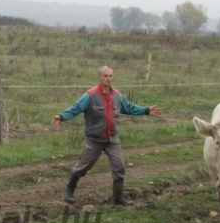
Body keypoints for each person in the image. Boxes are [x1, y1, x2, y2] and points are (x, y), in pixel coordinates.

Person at [52, 65, 162, 206]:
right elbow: (76, 108)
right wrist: (61, 117)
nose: (108, 79)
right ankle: (70, 191)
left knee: (119, 167)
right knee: (82, 167)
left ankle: (118, 198)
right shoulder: (90, 95)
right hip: (94, 140)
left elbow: (128, 108)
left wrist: (146, 110)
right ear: (99, 77)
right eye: (105, 76)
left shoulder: (116, 95)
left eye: (110, 76)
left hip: (112, 139)